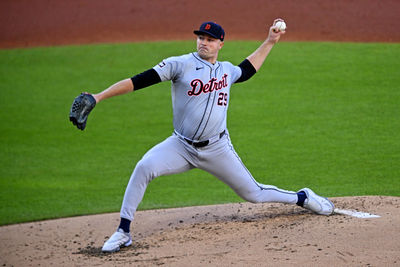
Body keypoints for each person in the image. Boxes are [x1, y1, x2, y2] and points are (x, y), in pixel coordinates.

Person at [73, 19, 334, 253]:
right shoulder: (179, 64)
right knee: (144, 167)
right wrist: (98, 97)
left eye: (210, 39)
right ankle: (123, 232)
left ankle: (303, 198)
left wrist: (270, 41)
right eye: (201, 38)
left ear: (221, 43)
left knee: (254, 193)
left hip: (218, 148)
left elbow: (248, 69)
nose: (204, 43)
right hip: (180, 146)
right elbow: (138, 80)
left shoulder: (227, 70)